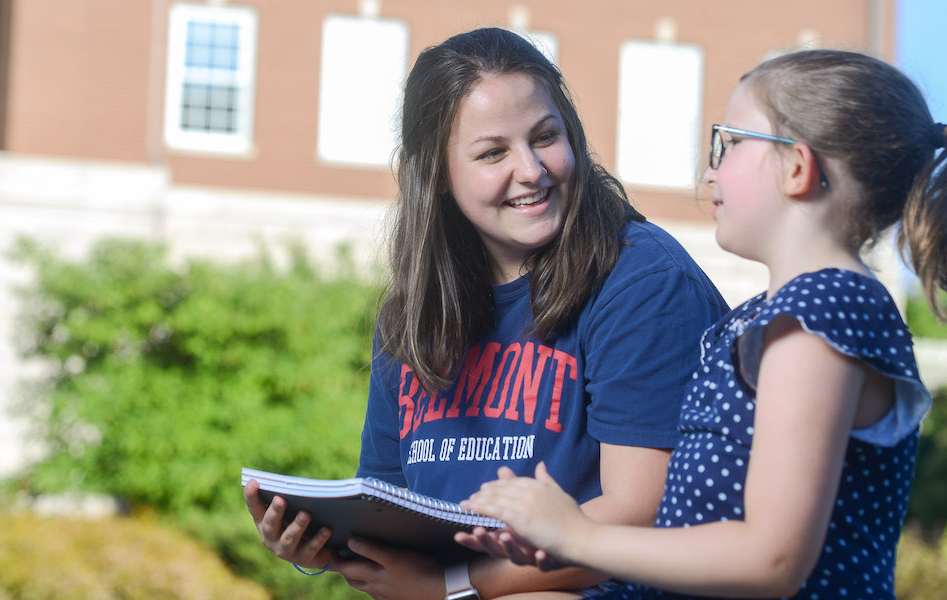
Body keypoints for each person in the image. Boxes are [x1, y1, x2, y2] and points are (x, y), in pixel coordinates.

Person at [456, 48, 947, 600]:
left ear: (798, 167)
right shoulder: (781, 315)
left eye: (729, 145)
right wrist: (548, 543)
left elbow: (772, 558)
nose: (709, 173)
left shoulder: (820, 318)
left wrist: (578, 536)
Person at [243, 27, 727, 599]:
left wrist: (452, 587)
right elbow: (388, 510)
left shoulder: (643, 283)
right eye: (493, 152)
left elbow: (641, 513)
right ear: (438, 176)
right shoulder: (411, 315)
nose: (531, 169)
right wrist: (325, 544)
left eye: (545, 137)